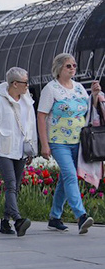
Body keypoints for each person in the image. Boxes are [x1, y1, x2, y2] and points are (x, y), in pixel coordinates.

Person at [37, 53, 97, 234]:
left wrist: (94, 94)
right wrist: (44, 144)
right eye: (68, 66)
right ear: (59, 69)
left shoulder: (79, 87)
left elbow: (88, 109)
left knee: (65, 179)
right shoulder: (51, 89)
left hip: (79, 141)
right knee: (70, 175)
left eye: (74, 65)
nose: (73, 69)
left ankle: (55, 217)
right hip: (58, 141)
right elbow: (41, 116)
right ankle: (81, 216)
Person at [0, 67, 36, 237]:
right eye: (25, 82)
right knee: (11, 184)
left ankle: (5, 222)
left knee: (15, 187)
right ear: (14, 84)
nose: (27, 86)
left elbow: (31, 127)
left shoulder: (27, 102)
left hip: (20, 151)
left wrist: (31, 150)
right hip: (3, 150)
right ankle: (18, 220)